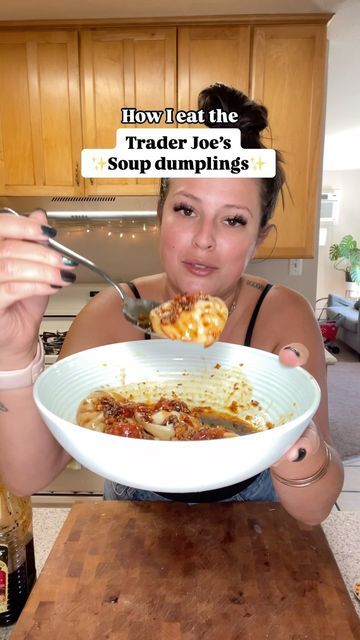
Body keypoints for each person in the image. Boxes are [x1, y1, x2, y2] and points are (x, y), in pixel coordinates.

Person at [0, 83, 343, 525]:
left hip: (257, 550)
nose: (204, 238)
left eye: (233, 220)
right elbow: (28, 477)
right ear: (161, 213)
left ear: (259, 238)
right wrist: (12, 354)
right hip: (129, 545)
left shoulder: (284, 315)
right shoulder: (109, 313)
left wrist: (295, 436)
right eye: (186, 210)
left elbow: (315, 511)